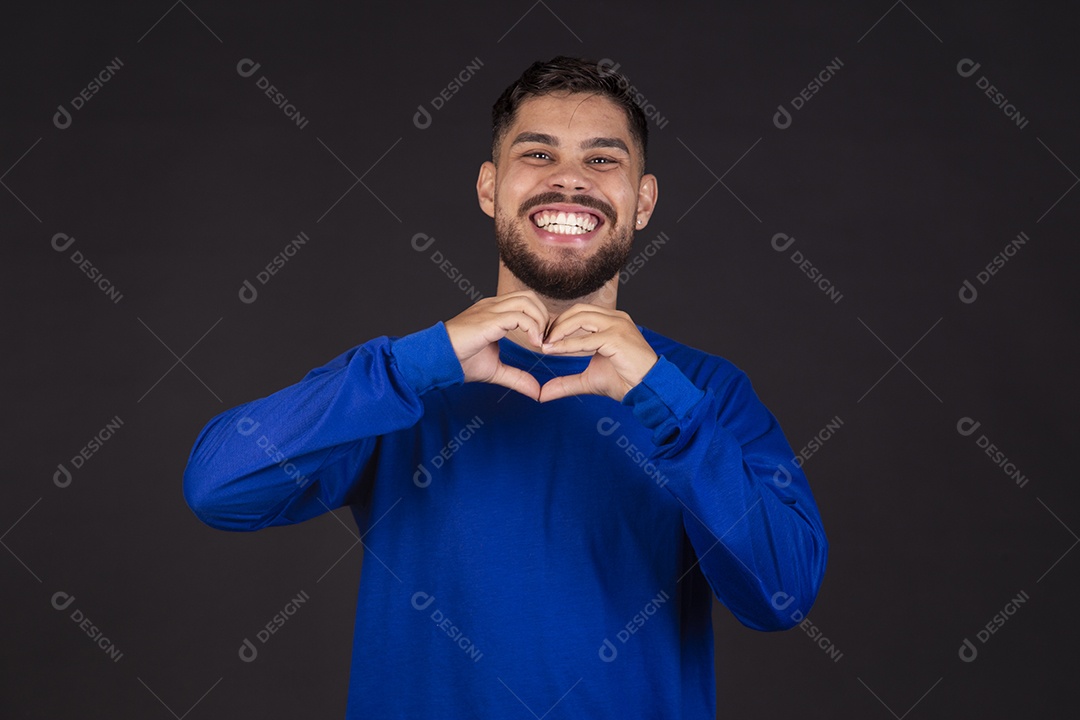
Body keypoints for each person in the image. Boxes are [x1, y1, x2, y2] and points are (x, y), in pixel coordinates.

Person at [184, 55, 827, 719]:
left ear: (643, 202)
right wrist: (411, 366)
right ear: (490, 189)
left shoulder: (705, 392)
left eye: (603, 160)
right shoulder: (404, 381)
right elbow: (218, 488)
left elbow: (782, 597)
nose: (570, 180)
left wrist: (668, 404)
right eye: (538, 153)